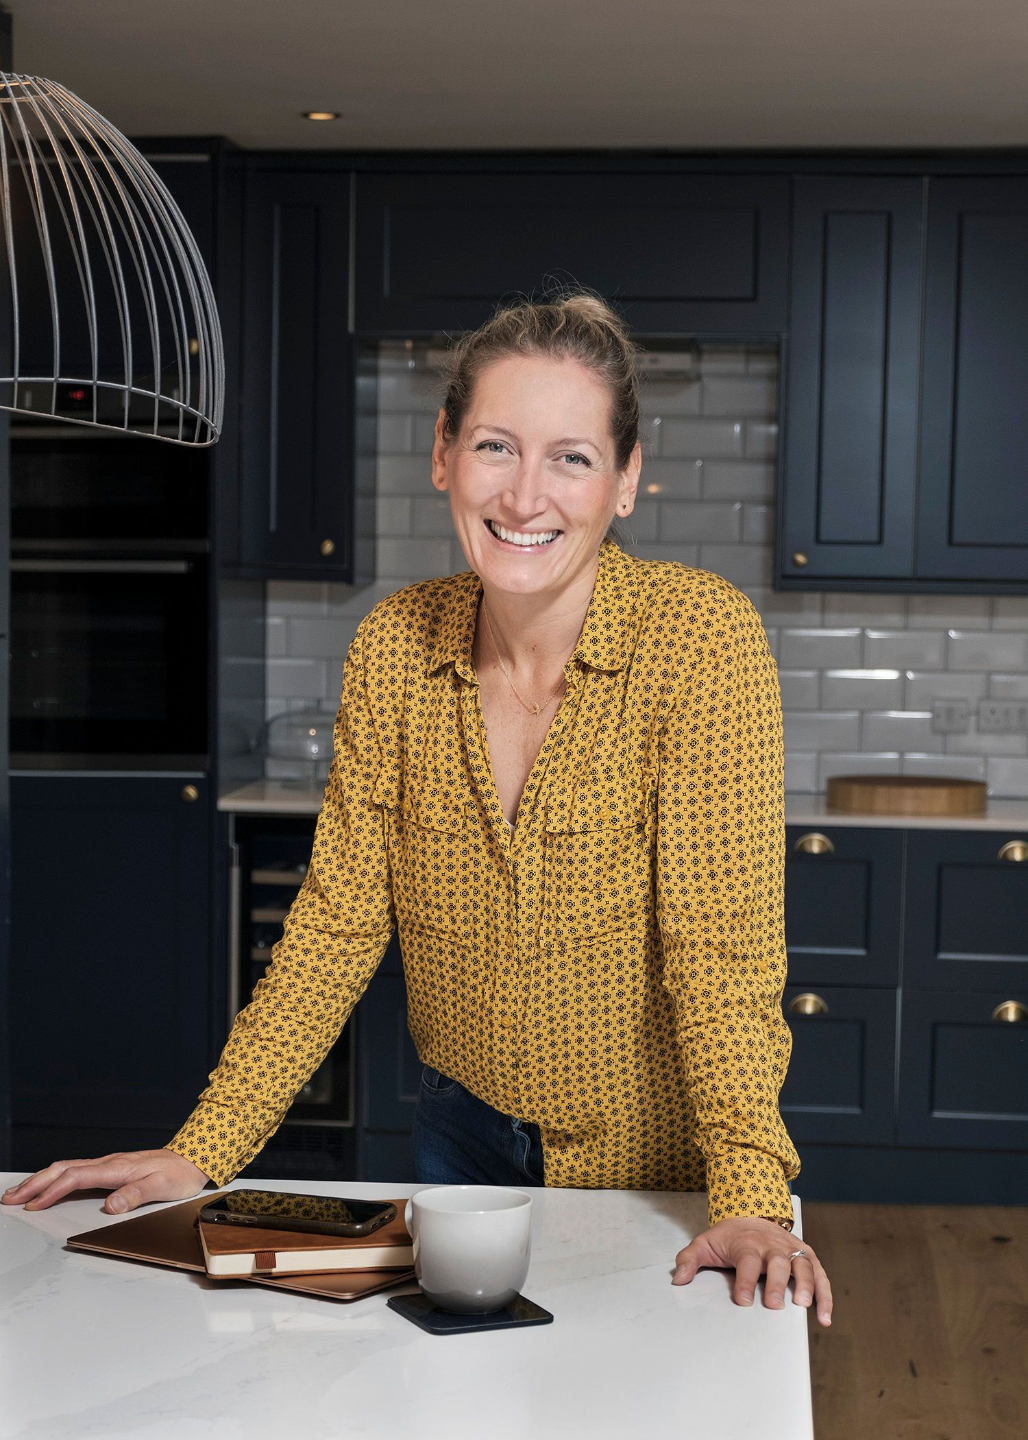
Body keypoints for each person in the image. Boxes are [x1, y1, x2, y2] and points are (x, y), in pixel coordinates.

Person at [3, 288, 833, 1327]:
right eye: (495, 446)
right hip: (460, 1146)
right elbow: (336, 927)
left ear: (625, 481)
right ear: (443, 453)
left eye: (571, 458)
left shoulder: (699, 641)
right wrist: (203, 1148)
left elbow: (722, 956)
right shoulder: (394, 647)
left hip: (654, 1169)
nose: (525, 495)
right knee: (459, 1394)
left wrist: (750, 1196)